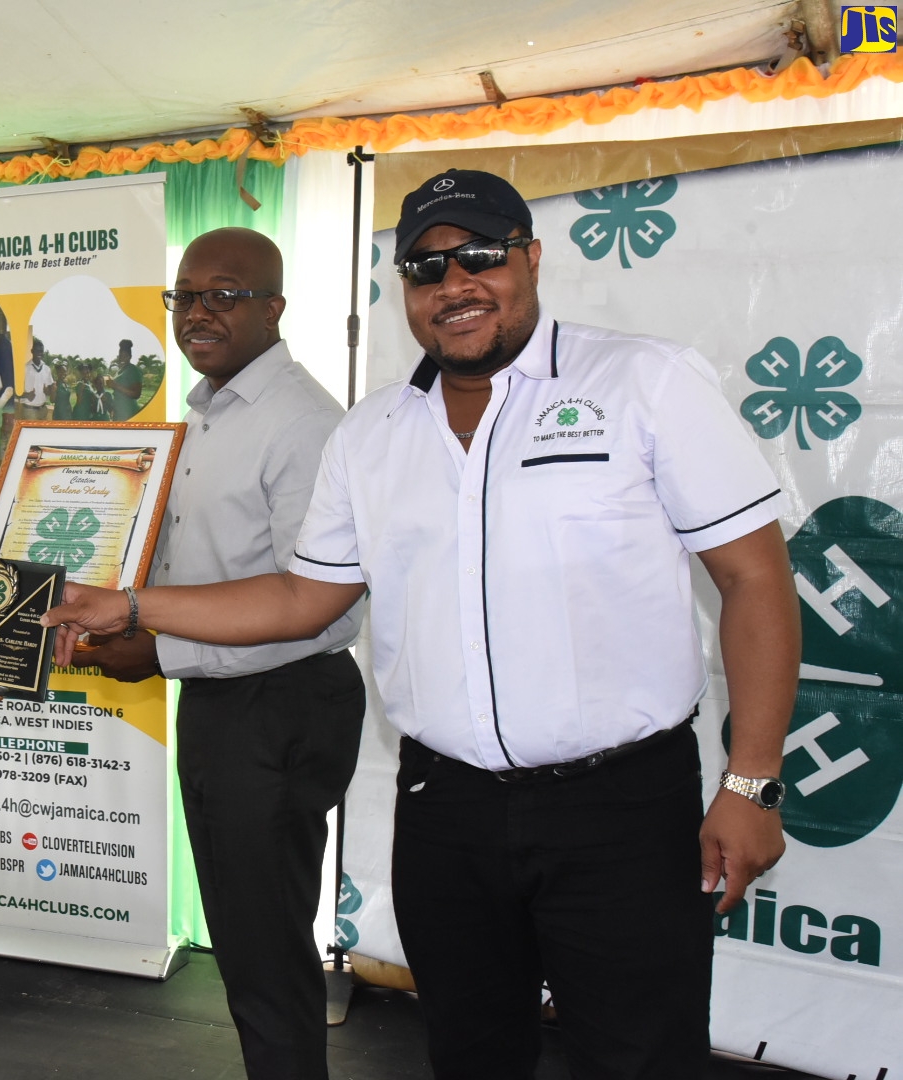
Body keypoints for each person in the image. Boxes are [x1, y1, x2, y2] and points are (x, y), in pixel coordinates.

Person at [45, 172, 798, 1080]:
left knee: (639, 1058)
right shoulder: (373, 434)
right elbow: (301, 598)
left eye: (479, 256)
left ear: (530, 258)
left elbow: (754, 579)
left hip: (621, 808)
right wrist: (129, 605)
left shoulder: (643, 382)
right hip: (448, 808)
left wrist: (752, 783)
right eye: (426, 267)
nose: (455, 284)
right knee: (471, 1053)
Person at [72, 227, 365, 1080]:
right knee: (246, 942)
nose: (198, 312)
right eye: (185, 295)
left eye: (224, 294)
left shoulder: (305, 424)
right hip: (218, 700)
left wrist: (157, 648)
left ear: (274, 308)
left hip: (280, 704)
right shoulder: (206, 412)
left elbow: (316, 609)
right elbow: (192, 564)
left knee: (265, 949)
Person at [18, 337, 54, 420]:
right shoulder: (24, 369)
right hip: (29, 411)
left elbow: (49, 391)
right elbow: (15, 391)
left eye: (41, 351)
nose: (39, 353)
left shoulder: (47, 369)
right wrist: (26, 395)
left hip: (43, 410)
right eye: (37, 351)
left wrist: (48, 391)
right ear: (32, 351)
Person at [109, 339, 144, 420]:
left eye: (125, 356)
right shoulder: (120, 371)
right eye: (121, 355)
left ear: (130, 357)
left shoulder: (133, 369)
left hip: (129, 413)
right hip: (118, 412)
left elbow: (136, 394)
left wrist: (115, 386)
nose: (122, 358)